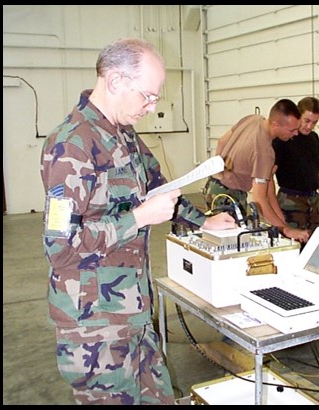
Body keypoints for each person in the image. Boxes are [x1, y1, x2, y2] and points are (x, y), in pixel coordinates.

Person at [39, 37, 237, 405]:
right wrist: (139, 217)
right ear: (115, 82)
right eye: (148, 96)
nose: (151, 107)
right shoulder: (71, 146)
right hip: (93, 324)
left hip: (133, 312)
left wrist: (203, 222)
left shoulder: (123, 135)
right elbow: (60, 248)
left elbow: (161, 188)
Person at [203, 99, 310, 243]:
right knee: (230, 246)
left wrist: (219, 171)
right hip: (229, 196)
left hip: (213, 185)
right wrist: (286, 229)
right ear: (275, 124)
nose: (296, 134)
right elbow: (259, 199)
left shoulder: (253, 119)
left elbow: (222, 141)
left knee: (215, 239)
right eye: (292, 130)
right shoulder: (264, 153)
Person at [269, 96, 319, 238]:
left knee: (315, 243)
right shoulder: (283, 139)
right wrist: (276, 212)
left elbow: (318, 170)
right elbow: (267, 178)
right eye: (307, 121)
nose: (310, 126)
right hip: (290, 202)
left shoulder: (313, 138)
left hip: (313, 201)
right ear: (298, 116)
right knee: (294, 246)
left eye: (315, 122)